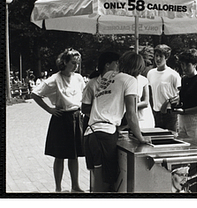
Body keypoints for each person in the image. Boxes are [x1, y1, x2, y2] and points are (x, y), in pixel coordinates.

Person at [82, 51, 151, 192]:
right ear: (138, 69)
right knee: (104, 186)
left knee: (97, 181)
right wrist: (141, 138)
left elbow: (107, 105)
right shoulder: (131, 81)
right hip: (104, 136)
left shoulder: (107, 76)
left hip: (90, 133)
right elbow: (131, 114)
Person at [31, 48, 86, 193]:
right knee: (60, 155)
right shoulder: (54, 79)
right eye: (73, 63)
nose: (76, 66)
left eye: (78, 63)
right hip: (61, 119)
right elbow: (35, 94)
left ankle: (75, 186)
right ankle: (58, 188)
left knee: (74, 155)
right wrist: (49, 109)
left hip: (76, 116)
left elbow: (83, 96)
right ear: (64, 62)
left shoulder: (78, 78)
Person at [171, 49, 197, 143]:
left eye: (187, 65)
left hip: (195, 122)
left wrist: (184, 111)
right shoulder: (184, 79)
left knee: (196, 150)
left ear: (195, 64)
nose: (184, 68)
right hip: (182, 121)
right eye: (182, 65)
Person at [82, 51, 120, 131]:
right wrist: (101, 113)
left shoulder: (118, 83)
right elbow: (84, 108)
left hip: (112, 125)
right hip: (94, 126)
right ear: (107, 65)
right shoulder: (92, 83)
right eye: (116, 63)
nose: (118, 66)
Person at [147, 44, 181, 132]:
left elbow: (181, 94)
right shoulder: (151, 73)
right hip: (156, 112)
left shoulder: (173, 74)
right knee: (158, 137)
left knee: (171, 138)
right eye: (156, 56)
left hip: (169, 112)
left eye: (161, 56)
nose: (158, 59)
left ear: (166, 58)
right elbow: (151, 92)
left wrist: (168, 103)